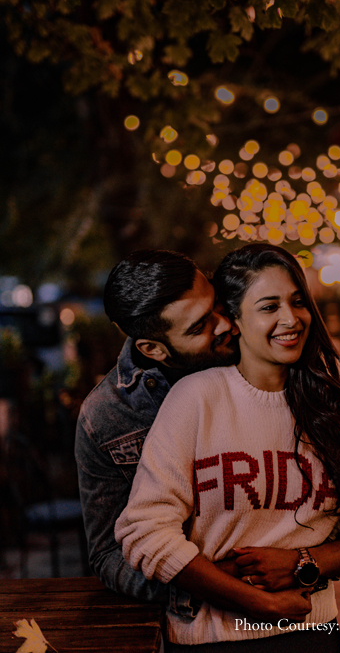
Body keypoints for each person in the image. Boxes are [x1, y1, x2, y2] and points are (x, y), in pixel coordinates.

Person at [115, 244, 340, 651]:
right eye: (269, 306)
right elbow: (144, 531)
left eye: (297, 301)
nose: (291, 319)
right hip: (210, 640)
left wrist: (304, 562)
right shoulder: (195, 400)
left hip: (314, 634)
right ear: (233, 320)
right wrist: (257, 603)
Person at [74, 249, 237, 608]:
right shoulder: (106, 416)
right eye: (199, 326)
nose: (224, 325)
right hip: (192, 622)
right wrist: (217, 587)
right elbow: (107, 555)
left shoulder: (255, 356)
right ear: (153, 348)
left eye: (218, 307)